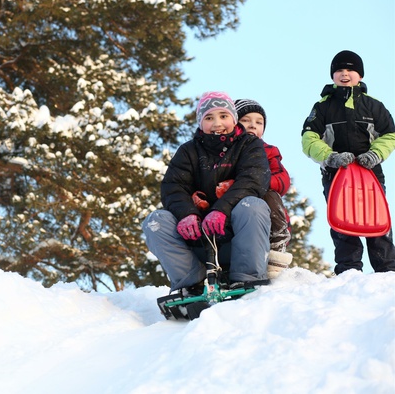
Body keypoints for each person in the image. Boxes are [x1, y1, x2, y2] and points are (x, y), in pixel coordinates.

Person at [142, 91, 271, 295]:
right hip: (199, 237)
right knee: (155, 221)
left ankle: (248, 279)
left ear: (233, 119)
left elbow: (253, 180)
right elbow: (173, 187)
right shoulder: (188, 151)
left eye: (223, 116)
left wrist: (221, 210)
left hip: (236, 234)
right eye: (209, 117)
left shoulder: (248, 145)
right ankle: (191, 281)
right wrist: (187, 215)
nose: (217, 123)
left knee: (253, 206)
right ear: (201, 123)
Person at [301, 50, 395, 274]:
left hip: (369, 174)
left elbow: (390, 135)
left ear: (360, 75)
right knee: (343, 221)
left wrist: (375, 155)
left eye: (350, 69)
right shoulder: (322, 107)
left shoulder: (374, 106)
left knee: (377, 218)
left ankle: (388, 270)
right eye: (339, 70)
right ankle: (348, 271)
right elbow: (309, 138)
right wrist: (330, 157)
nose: (345, 74)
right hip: (337, 174)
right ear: (333, 75)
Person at [235, 99, 293, 279]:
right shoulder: (230, 150)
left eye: (259, 122)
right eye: (246, 120)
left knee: (270, 195)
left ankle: (277, 246)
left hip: (264, 200)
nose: (253, 125)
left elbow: (282, 179)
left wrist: (258, 182)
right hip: (238, 202)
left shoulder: (268, 150)